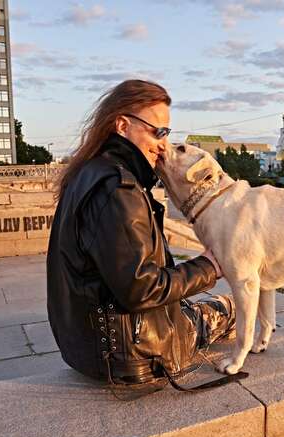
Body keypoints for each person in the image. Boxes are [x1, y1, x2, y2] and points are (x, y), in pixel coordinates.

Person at [47, 80, 236, 390]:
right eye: (157, 131)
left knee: (190, 309)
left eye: (167, 133)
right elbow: (142, 288)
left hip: (87, 347)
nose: (164, 144)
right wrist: (209, 266)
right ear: (123, 125)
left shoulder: (88, 173)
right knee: (225, 311)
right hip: (132, 355)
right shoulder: (118, 189)